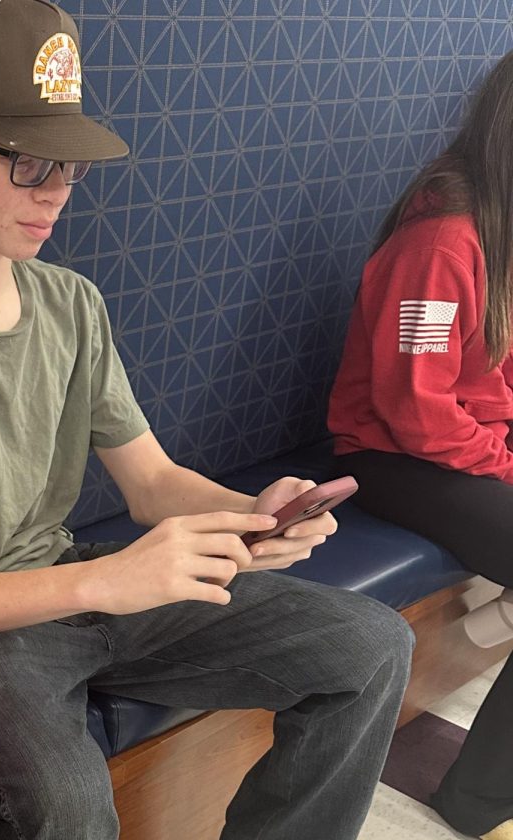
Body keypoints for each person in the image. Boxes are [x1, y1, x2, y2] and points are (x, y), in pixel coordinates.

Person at [0, 1, 414, 838]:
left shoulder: (72, 304)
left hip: (79, 582)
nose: (56, 191)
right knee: (67, 800)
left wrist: (246, 518)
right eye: (28, 163)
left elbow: (153, 482)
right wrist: (108, 580)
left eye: (67, 165)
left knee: (371, 647)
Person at [328, 49, 513, 840]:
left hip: (465, 446)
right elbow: (416, 412)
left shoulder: (504, 225)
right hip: (392, 458)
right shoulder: (443, 237)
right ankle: (476, 805)